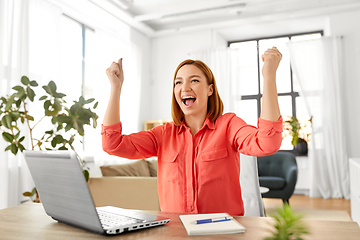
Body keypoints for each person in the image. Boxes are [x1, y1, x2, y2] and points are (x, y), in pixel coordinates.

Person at [102, 47, 283, 216]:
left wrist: (269, 76)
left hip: (222, 233)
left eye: (194, 80)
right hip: (176, 233)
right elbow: (112, 144)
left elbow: (267, 143)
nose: (184, 88)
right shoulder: (163, 134)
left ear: (210, 89)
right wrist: (115, 88)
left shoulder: (229, 125)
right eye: (178, 82)